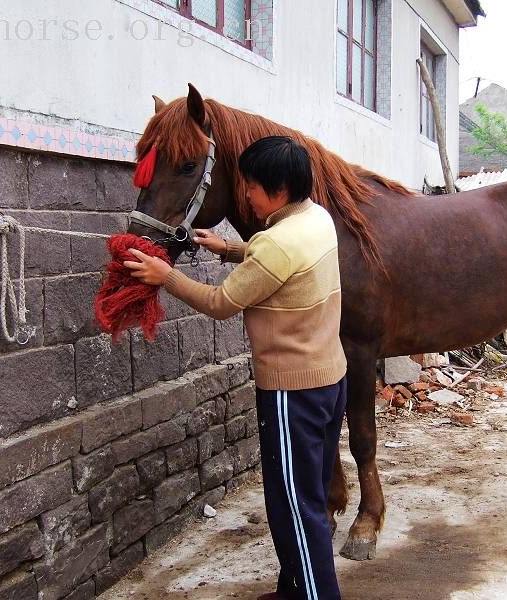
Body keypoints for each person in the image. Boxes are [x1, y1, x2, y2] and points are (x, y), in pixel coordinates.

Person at [124, 135, 347, 600]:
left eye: (251, 187)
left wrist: (167, 276)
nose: (244, 194)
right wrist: (228, 248)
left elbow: (220, 301)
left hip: (293, 394)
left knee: (293, 508)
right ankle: (294, 590)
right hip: (328, 379)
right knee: (308, 499)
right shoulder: (315, 218)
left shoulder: (278, 243)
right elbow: (278, 258)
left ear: (279, 190)